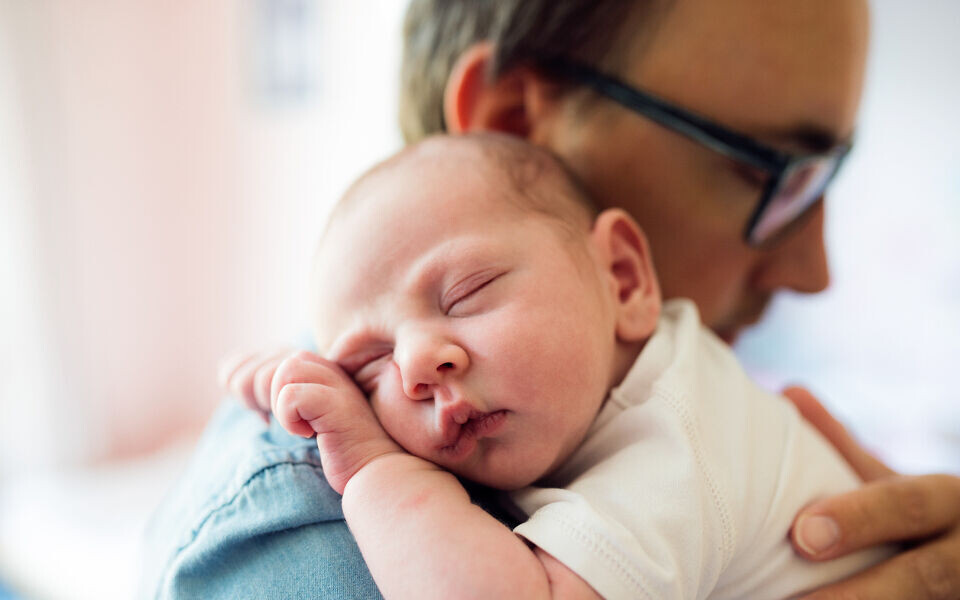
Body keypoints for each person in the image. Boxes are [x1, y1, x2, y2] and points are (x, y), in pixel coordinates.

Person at [143, 1, 960, 598]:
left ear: (626, 276)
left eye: (821, 180)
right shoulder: (310, 541)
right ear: (509, 123)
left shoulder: (676, 426)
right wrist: (370, 464)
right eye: (764, 170)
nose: (814, 270)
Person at [269, 132, 892, 599]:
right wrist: (286, 381)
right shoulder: (597, 386)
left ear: (621, 280)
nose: (415, 368)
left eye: (466, 294)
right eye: (368, 367)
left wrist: (378, 472)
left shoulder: (678, 440)